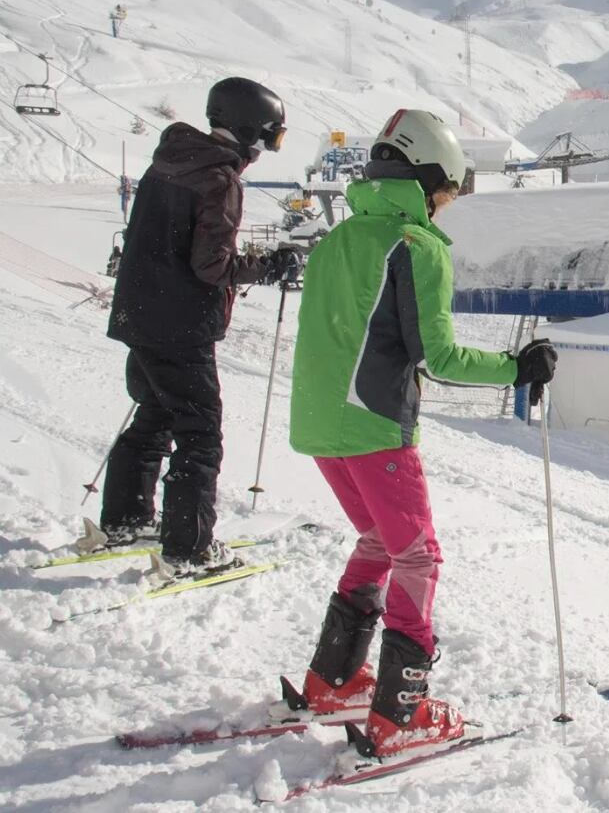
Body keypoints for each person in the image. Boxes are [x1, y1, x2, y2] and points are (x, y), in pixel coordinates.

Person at [288, 109, 558, 758]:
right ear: (428, 177)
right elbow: (438, 357)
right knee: (418, 556)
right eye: (448, 191)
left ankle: (332, 681)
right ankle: (399, 712)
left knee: (381, 540)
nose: (447, 205)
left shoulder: (337, 239)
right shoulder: (416, 247)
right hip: (376, 427)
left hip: (321, 426)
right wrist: (517, 367)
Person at [96, 77, 294, 572]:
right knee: (200, 433)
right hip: (179, 323)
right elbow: (212, 266)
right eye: (270, 137)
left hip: (140, 314)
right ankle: (189, 548)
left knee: (156, 413)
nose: (266, 150)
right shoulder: (218, 179)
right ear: (250, 130)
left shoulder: (171, 160)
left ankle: (126, 516)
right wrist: (266, 266)